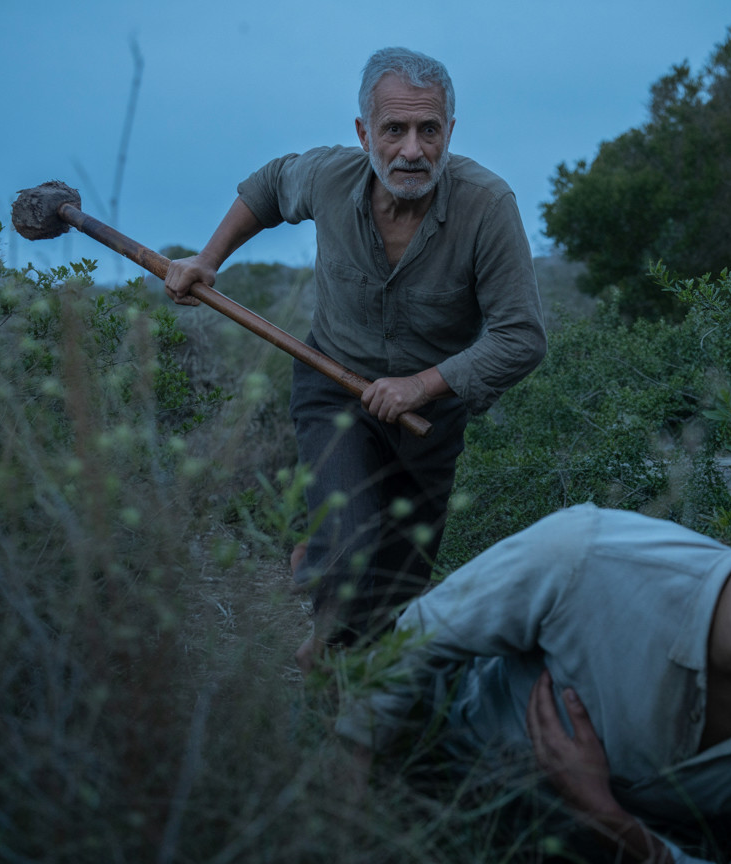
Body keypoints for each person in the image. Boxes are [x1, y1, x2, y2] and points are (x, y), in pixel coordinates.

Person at [335, 417, 731, 863]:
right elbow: (416, 638)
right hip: (441, 768)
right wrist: (348, 807)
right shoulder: (587, 553)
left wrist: (606, 819)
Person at [164, 48, 547, 664]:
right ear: (364, 132)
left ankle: (337, 619)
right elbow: (266, 189)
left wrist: (421, 386)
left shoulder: (487, 206)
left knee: (397, 595)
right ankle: (323, 654)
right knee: (348, 546)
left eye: (429, 130)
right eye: (394, 130)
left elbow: (522, 338)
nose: (412, 150)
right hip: (331, 383)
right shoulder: (328, 176)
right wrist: (207, 261)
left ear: (450, 130)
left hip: (431, 417)